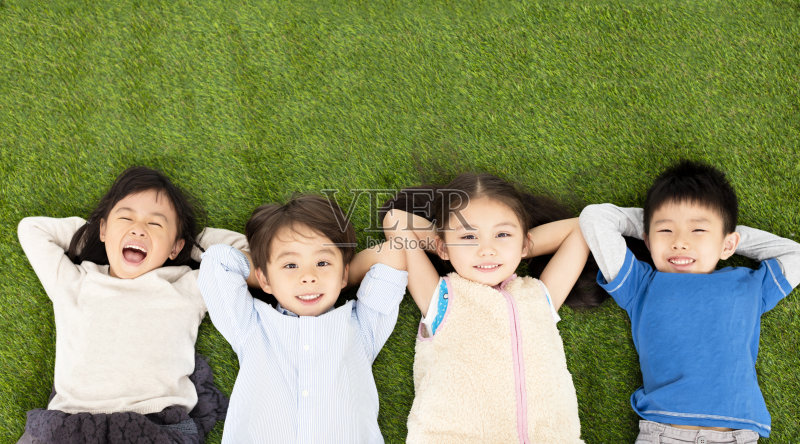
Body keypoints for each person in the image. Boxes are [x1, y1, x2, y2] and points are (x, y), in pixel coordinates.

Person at [16, 166, 247, 443]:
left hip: (157, 423)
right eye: (125, 218)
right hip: (72, 421)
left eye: (155, 224)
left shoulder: (185, 285)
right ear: (103, 229)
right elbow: (32, 229)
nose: (138, 230)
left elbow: (241, 256)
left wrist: (189, 241)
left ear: (175, 247)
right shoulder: (74, 281)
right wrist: (96, 233)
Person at [579, 160, 800, 443]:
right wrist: (652, 224)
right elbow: (596, 218)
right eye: (666, 231)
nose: (680, 241)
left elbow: (794, 256)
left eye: (698, 231)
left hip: (738, 434)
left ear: (729, 245)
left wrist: (725, 235)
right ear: (647, 240)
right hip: (665, 433)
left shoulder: (751, 284)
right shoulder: (640, 284)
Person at [382, 173, 589, 443]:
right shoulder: (441, 297)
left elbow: (583, 229)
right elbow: (395, 221)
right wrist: (449, 245)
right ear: (442, 247)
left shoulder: (538, 297)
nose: (487, 250)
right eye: (469, 236)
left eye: (502, 234)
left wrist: (518, 248)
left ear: (525, 242)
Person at [197, 194, 408, 443]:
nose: (308, 276)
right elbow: (218, 260)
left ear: (344, 273)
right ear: (263, 278)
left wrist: (338, 280)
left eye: (322, 262)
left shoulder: (362, 327)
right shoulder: (252, 326)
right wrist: (272, 278)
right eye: (291, 265)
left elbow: (393, 254)